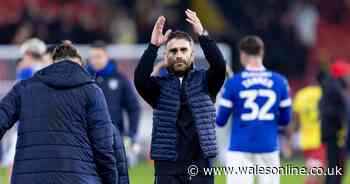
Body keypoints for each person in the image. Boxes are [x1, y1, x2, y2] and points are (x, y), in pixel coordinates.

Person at [0, 41, 128, 184]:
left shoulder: (24, 88)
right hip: (81, 178)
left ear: (52, 63)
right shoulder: (92, 91)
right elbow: (103, 146)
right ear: (80, 65)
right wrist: (110, 180)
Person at [134, 9, 226, 184]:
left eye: (183, 50)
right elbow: (140, 80)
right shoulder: (158, 86)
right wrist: (153, 46)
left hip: (200, 164)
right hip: (167, 166)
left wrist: (202, 35)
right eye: (173, 51)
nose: (178, 55)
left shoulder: (206, 81)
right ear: (166, 56)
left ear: (192, 55)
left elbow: (220, 66)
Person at [216, 36, 292, 184]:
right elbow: (285, 120)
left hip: (240, 148)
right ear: (262, 52)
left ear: (242, 54)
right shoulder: (280, 81)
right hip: (268, 147)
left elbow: (220, 121)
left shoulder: (234, 82)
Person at [87, 41, 141, 145]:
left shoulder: (120, 79)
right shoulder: (84, 78)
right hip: (87, 138)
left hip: (114, 137)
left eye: (98, 57)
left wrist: (132, 133)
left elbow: (133, 107)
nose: (95, 61)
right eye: (92, 57)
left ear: (107, 56)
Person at [318, 59, 349, 184]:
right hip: (335, 134)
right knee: (335, 166)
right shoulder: (335, 89)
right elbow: (340, 111)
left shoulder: (330, 87)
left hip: (332, 132)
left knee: (334, 166)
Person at [293, 85, 325, 184]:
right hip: (319, 139)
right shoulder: (322, 93)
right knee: (316, 173)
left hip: (305, 140)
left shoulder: (300, 95)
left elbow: (296, 117)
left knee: (318, 172)